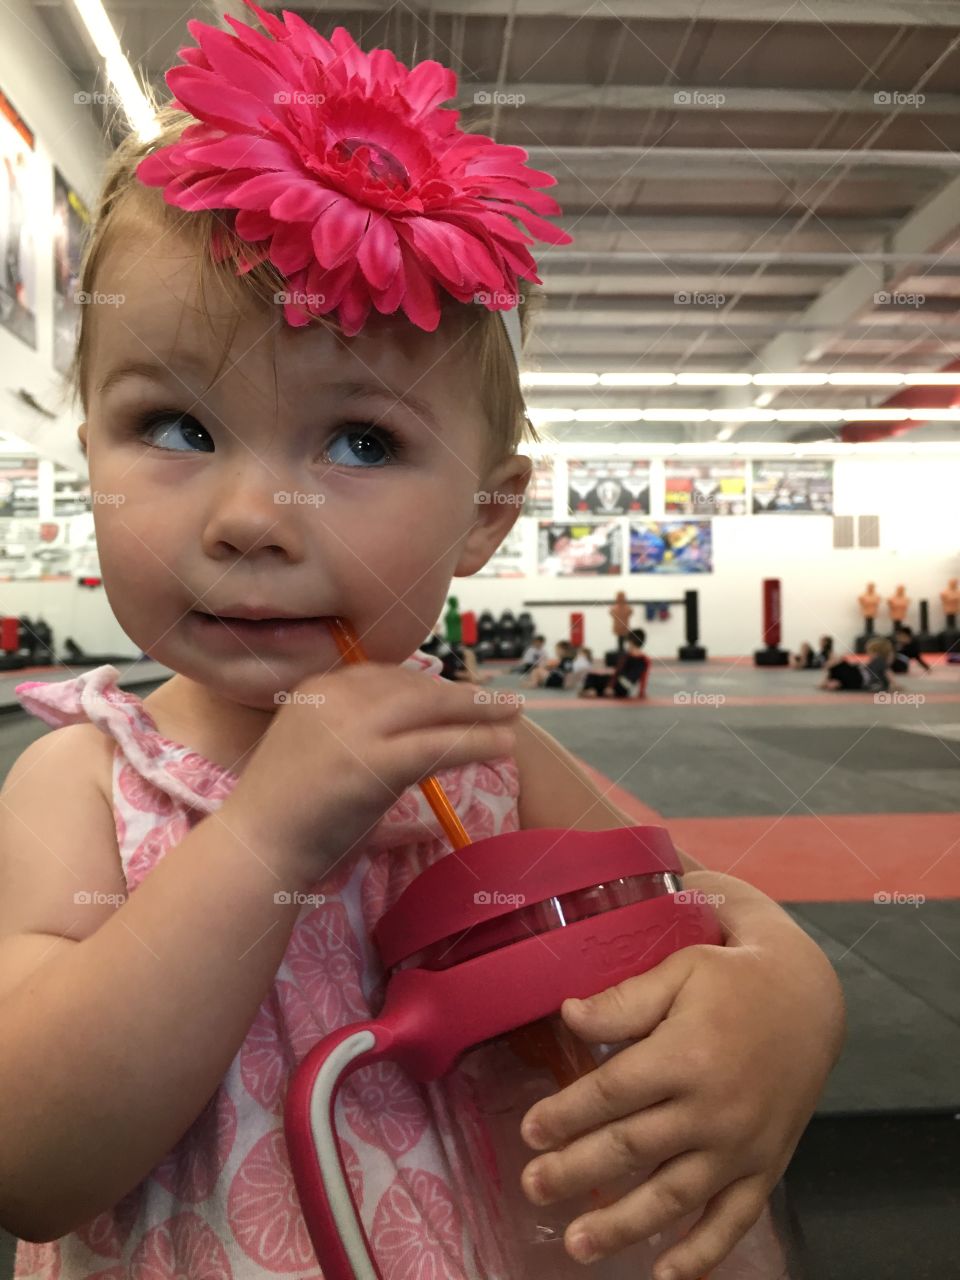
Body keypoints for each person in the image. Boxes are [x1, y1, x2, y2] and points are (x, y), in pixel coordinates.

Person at [0, 11, 845, 1280]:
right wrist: (268, 832)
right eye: (175, 424)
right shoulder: (79, 782)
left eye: (360, 444)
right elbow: (35, 1159)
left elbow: (697, 925)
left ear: (483, 517)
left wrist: (793, 999)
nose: (246, 522)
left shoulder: (489, 762)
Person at [580, 630, 650, 698]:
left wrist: (610, 686)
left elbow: (618, 672)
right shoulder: (645, 659)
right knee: (600, 678)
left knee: (591, 676)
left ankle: (592, 690)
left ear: (631, 642)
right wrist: (641, 692)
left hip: (618, 685)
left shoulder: (627, 656)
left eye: (628, 643)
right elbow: (644, 677)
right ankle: (597, 691)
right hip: (624, 690)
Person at [819, 637, 899, 692]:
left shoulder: (879, 661)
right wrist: (894, 684)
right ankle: (834, 682)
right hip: (859, 681)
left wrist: (894, 684)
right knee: (843, 673)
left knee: (840, 666)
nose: (869, 654)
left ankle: (830, 681)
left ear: (877, 652)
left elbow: (888, 673)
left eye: (870, 652)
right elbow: (887, 674)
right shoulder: (877, 662)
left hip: (859, 677)